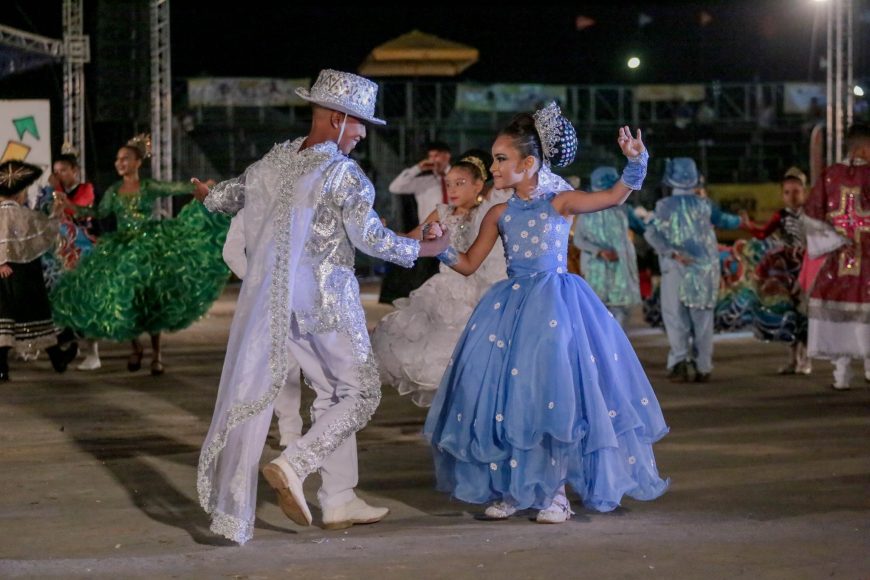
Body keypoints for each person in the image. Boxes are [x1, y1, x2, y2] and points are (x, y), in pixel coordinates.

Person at [193, 69, 450, 544]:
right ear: (336, 119)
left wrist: (206, 193)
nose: (362, 134)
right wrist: (426, 249)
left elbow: (227, 196)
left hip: (279, 307)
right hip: (329, 303)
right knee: (361, 393)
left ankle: (338, 498)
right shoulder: (341, 173)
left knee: (332, 393)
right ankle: (295, 464)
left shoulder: (272, 162)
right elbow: (370, 240)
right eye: (359, 124)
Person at [424, 102, 668, 524]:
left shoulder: (560, 202)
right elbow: (467, 263)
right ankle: (513, 489)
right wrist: (440, 246)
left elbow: (613, 196)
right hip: (509, 310)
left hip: (556, 305)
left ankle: (554, 493)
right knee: (507, 397)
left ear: (528, 163)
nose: (493, 167)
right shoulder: (499, 213)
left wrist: (636, 161)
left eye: (501, 159)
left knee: (551, 396)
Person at [50, 134, 230, 375]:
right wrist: (71, 207)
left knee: (153, 298)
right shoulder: (114, 191)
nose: (120, 163)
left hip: (149, 247)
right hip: (123, 248)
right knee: (124, 297)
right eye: (118, 159)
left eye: (125, 158)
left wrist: (200, 185)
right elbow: (99, 213)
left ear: (137, 162)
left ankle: (156, 354)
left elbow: (175, 188)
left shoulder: (147, 186)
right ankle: (135, 347)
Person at [372, 152, 509, 407]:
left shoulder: (489, 212)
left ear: (479, 185)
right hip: (444, 289)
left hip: (478, 290)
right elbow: (412, 237)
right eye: (449, 184)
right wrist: (381, 233)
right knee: (435, 352)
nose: (453, 189)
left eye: (460, 183)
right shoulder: (442, 213)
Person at [803, 123, 870, 390]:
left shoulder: (830, 175)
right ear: (863, 148)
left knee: (840, 315)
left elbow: (811, 217)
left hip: (839, 261)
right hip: (867, 260)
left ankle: (841, 375)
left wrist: (836, 241)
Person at [0, 160, 78, 381]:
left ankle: (2, 368)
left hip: (3, 276)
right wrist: (57, 213)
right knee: (36, 315)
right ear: (20, 193)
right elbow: (47, 230)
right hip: (24, 276)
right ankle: (58, 359)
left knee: (4, 320)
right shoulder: (25, 216)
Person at [644, 158, 720, 382]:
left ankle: (679, 362)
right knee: (703, 319)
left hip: (676, 268)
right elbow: (724, 222)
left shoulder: (664, 206)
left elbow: (650, 233)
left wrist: (670, 252)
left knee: (676, 317)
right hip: (704, 270)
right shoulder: (705, 206)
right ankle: (703, 366)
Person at [744, 167, 812, 374]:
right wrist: (748, 225)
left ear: (804, 192)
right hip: (786, 270)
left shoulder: (812, 214)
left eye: (796, 191)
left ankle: (806, 359)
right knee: (788, 313)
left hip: (808, 268)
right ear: (783, 195)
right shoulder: (780, 216)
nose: (792, 196)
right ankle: (792, 359)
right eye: (787, 192)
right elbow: (763, 233)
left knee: (806, 312)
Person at [40, 147, 101, 370]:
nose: (59, 175)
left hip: (84, 254)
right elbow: (45, 216)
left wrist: (56, 189)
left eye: (64, 170)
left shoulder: (86, 190)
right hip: (60, 257)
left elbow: (75, 210)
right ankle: (68, 343)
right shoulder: (52, 193)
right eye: (56, 171)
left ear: (75, 170)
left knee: (85, 302)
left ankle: (93, 353)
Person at [380, 142, 453, 303]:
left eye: (437, 155)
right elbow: (395, 187)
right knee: (424, 278)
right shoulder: (424, 182)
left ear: (447, 156)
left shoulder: (456, 178)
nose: (433, 160)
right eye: (430, 156)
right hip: (427, 234)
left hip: (453, 234)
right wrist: (418, 168)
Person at [573, 166, 642, 327]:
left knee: (601, 318)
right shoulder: (623, 209)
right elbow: (642, 228)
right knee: (614, 320)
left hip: (604, 274)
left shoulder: (587, 211)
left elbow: (578, 240)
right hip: (608, 273)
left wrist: (598, 251)